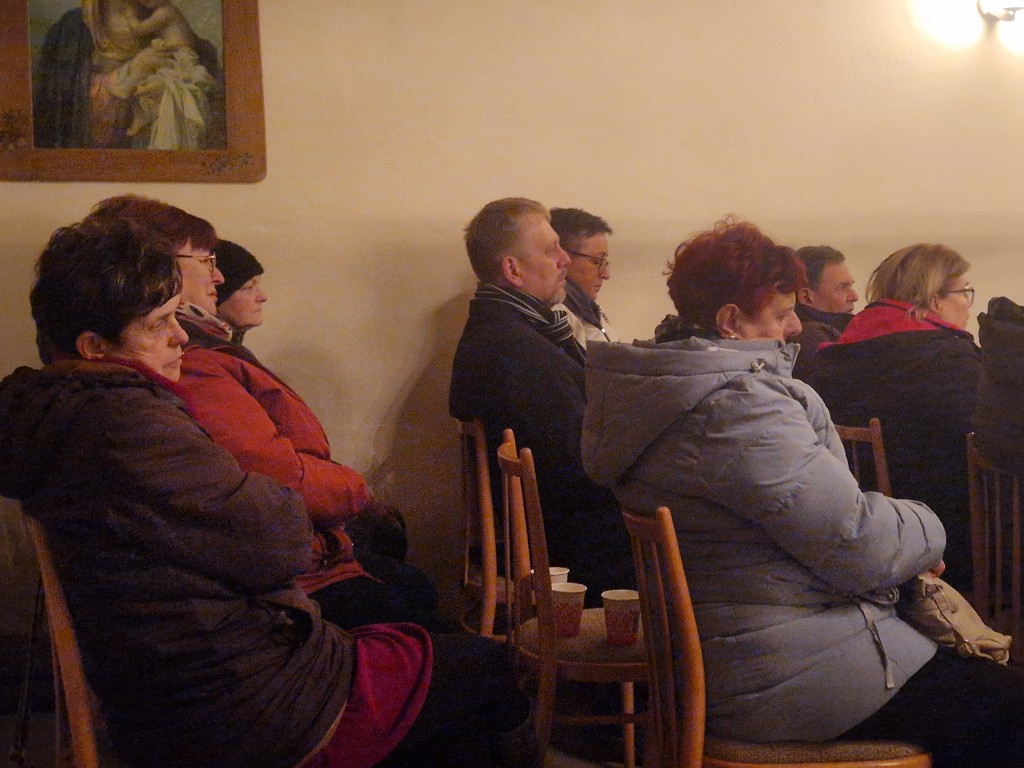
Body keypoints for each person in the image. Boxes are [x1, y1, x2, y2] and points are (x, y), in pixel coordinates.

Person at [0, 216, 538, 768]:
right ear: (94, 346)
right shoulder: (129, 426)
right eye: (159, 324)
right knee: (492, 670)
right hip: (240, 704)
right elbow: (279, 544)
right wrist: (278, 498)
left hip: (185, 684)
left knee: (446, 664)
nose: (180, 336)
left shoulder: (68, 413)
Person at [580, 217, 1024, 768]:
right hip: (787, 676)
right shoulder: (739, 410)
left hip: (739, 658)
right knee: (1007, 707)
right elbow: (860, 545)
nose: (795, 327)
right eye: (781, 313)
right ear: (731, 321)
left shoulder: (663, 396)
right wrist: (929, 526)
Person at [82, 197, 442, 631]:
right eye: (206, 260)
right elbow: (274, 480)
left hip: (278, 560)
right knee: (443, 624)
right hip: (283, 581)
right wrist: (355, 490)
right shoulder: (187, 362)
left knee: (411, 582)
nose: (218, 276)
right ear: (157, 268)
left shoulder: (188, 355)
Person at [449, 197, 633, 606]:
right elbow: (578, 470)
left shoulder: (508, 330)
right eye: (551, 250)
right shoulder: (514, 350)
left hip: (556, 529)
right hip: (563, 549)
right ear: (512, 270)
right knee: (690, 539)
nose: (564, 259)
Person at [810, 244, 981, 590]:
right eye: (964, 292)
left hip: (861, 544)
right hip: (950, 547)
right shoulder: (952, 361)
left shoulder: (832, 359)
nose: (968, 303)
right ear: (934, 300)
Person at [32, 0, 224, 149]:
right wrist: (131, 71)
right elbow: (56, 115)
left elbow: (212, 107)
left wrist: (169, 92)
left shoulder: (167, 22)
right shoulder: (69, 34)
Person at [549, 207, 618, 345]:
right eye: (597, 261)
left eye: (604, 262)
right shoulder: (555, 316)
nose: (605, 274)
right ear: (562, 257)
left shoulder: (591, 308)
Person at [790, 244, 858, 380]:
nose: (854, 296)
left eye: (850, 286)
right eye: (842, 287)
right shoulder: (810, 338)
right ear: (806, 297)